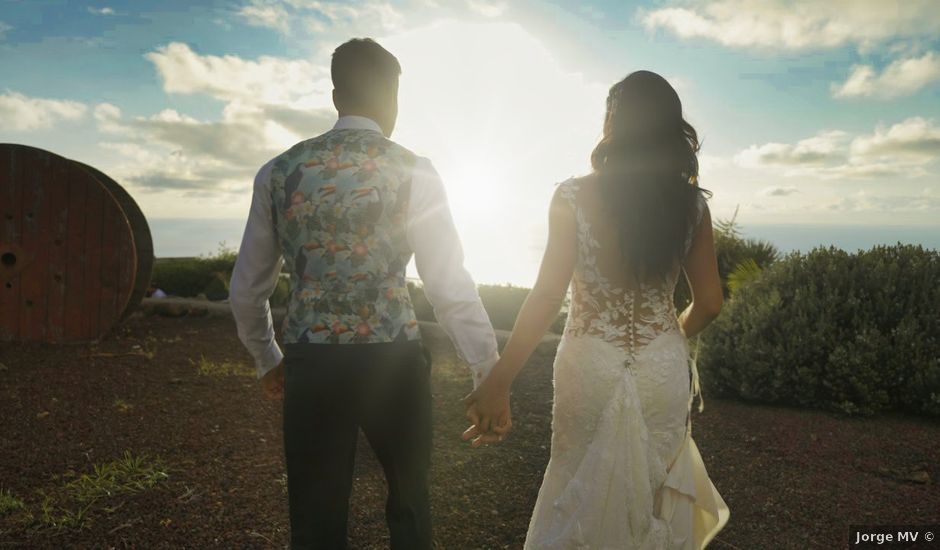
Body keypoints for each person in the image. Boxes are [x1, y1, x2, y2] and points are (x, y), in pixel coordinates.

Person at [228, 38, 500, 549]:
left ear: (336, 97)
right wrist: (486, 368)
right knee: (410, 503)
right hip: (392, 359)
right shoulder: (414, 170)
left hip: (313, 360)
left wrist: (269, 357)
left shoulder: (278, 172)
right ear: (393, 99)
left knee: (315, 516)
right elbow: (448, 284)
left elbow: (247, 290)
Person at [464, 70, 731, 549]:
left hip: (589, 362)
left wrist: (499, 381)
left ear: (613, 123)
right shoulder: (691, 206)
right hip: (661, 367)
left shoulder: (573, 196)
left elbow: (547, 296)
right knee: (654, 498)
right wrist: (668, 338)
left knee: (574, 486)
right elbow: (709, 303)